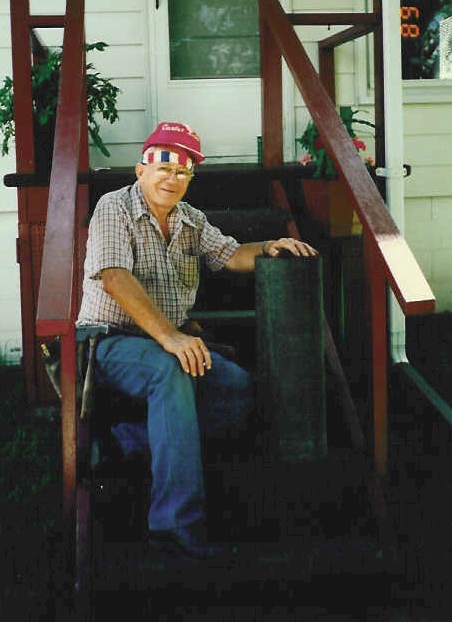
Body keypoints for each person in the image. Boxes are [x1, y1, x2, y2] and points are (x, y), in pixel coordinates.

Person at [77, 121, 317, 559]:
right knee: (172, 370)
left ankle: (128, 440)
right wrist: (170, 336)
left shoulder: (192, 220)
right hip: (108, 341)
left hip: (162, 341)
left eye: (183, 170)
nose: (172, 177)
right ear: (140, 170)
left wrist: (270, 246)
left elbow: (230, 255)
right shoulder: (113, 208)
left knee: (237, 390)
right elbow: (114, 277)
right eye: (163, 165)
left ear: (191, 179)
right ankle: (174, 527)